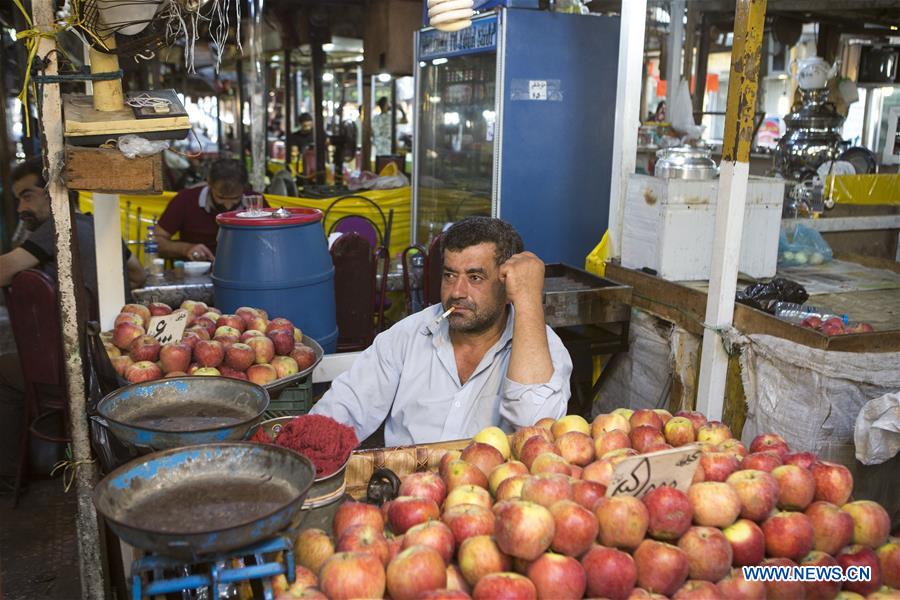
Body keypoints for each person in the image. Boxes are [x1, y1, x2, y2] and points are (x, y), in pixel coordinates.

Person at [310, 216, 573, 446]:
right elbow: (344, 408)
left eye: (475, 278)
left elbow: (536, 429)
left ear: (507, 286)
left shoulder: (544, 349)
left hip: (490, 499)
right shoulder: (409, 336)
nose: (456, 292)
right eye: (449, 275)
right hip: (405, 490)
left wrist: (527, 298)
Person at [0, 157, 145, 294]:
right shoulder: (96, 224)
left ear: (52, 192)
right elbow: (137, 275)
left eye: (27, 197)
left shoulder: (60, 226)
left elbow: (3, 272)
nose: (21, 208)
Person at [156, 158, 262, 261]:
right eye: (220, 197)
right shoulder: (185, 200)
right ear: (209, 183)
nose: (227, 206)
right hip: (198, 271)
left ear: (245, 187)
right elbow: (157, 241)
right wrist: (186, 249)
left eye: (235, 198)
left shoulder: (255, 202)